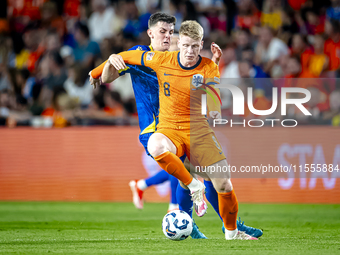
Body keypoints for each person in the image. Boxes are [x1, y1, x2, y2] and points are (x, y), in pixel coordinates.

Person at [89, 13, 262, 240]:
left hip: (186, 123)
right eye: (163, 31)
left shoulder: (178, 56)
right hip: (156, 126)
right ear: (150, 33)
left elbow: (205, 87)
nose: (168, 36)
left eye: (171, 32)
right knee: (187, 173)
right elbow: (109, 77)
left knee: (206, 176)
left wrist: (213, 68)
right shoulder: (143, 55)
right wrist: (107, 63)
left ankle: (226, 225)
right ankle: (201, 223)